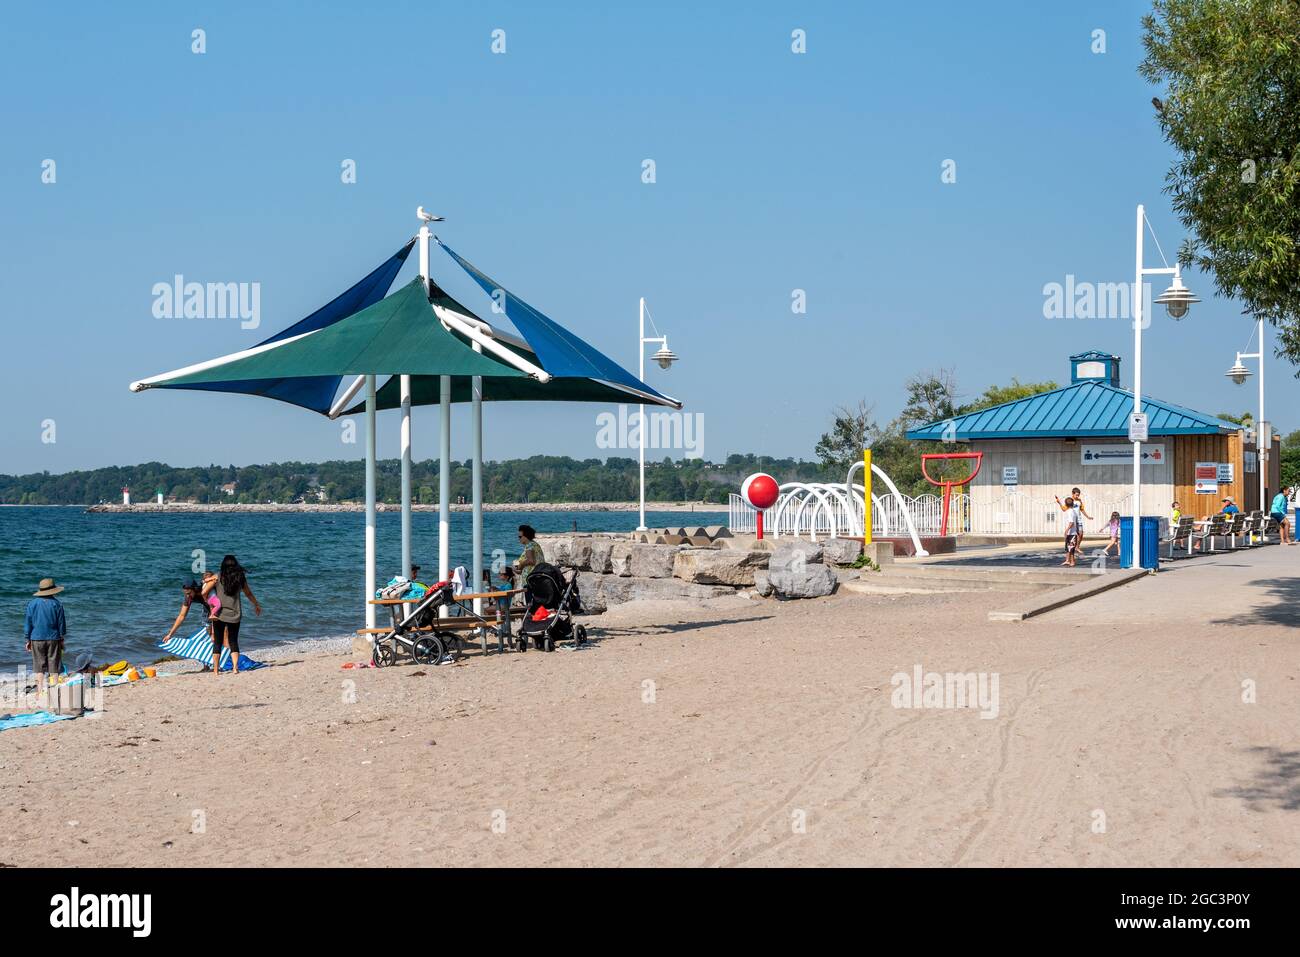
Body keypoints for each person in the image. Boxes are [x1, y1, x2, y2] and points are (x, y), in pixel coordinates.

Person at [202, 555, 261, 676]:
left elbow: (204, 591)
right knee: (233, 641)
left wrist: (210, 603)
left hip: (219, 615)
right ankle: (235, 668)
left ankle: (216, 670)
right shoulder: (240, 578)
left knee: (217, 642)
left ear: (223, 565)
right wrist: (256, 604)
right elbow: (248, 593)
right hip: (235, 614)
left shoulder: (217, 577)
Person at [24, 578, 67, 686]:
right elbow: (61, 623)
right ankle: (55, 688)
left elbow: (28, 623)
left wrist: (28, 639)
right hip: (53, 638)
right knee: (54, 665)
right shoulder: (57, 604)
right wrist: (62, 638)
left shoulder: (32, 604)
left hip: (36, 638)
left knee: (39, 667)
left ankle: (40, 689)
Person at [161, 578, 218, 645]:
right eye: (186, 593)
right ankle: (216, 645)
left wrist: (214, 633)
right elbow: (182, 616)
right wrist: (170, 634)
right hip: (206, 606)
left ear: (195, 589)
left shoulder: (205, 590)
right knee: (208, 628)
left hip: (217, 603)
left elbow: (214, 612)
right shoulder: (188, 597)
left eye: (189, 593)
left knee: (220, 628)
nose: (187, 596)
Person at [1061, 498, 1083, 567]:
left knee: (1071, 548)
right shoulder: (1073, 511)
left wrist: (1066, 530)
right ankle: (1068, 561)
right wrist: (1077, 531)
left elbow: (1071, 523)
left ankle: (1072, 562)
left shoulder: (1069, 512)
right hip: (1073, 533)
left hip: (1071, 533)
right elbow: (1076, 522)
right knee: (1068, 548)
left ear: (1066, 504)